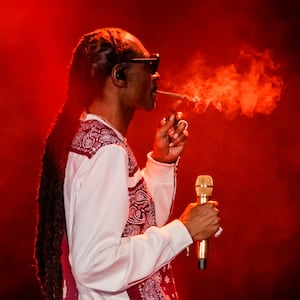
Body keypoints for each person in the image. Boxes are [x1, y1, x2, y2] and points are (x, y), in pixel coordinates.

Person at [34, 27, 220, 300]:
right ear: (120, 74)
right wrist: (184, 230)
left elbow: (138, 225)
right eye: (150, 65)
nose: (156, 75)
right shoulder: (106, 151)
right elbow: (95, 265)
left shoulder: (95, 139)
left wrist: (160, 163)